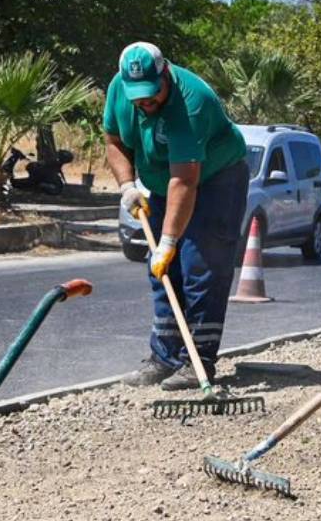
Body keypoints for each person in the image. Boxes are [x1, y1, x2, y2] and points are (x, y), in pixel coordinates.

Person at [103, 42, 249, 392]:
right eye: (138, 96)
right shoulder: (118, 89)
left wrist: (168, 241)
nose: (145, 102)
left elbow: (184, 179)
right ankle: (163, 358)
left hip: (217, 180)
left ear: (165, 72)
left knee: (202, 269)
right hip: (165, 184)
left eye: (152, 94)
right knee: (163, 272)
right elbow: (113, 141)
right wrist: (127, 186)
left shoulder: (191, 102)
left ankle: (198, 361)